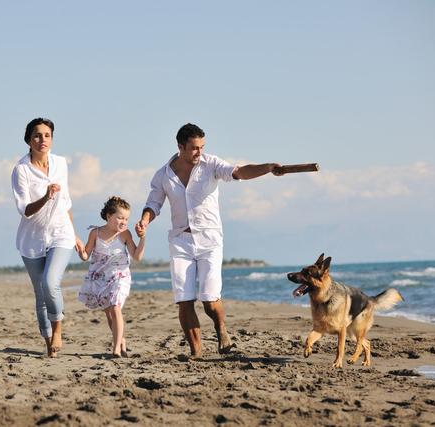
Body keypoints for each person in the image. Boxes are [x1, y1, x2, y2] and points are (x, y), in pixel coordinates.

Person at [135, 123, 284, 358]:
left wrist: (267, 168)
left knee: (209, 299)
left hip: (210, 240)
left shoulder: (211, 164)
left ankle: (221, 329)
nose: (199, 152)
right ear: (180, 147)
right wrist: (145, 220)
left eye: (202, 147)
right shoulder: (163, 175)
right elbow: (153, 203)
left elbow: (238, 172)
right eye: (194, 148)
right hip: (180, 241)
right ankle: (196, 353)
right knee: (184, 300)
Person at [11, 117, 84, 358]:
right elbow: (25, 210)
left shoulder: (61, 164)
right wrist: (45, 195)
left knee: (50, 283)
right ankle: (47, 341)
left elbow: (66, 203)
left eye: (47, 135)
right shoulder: (21, 170)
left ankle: (58, 330)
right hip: (32, 239)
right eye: (37, 135)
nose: (42, 139)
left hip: (61, 233)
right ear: (28, 140)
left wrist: (75, 235)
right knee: (40, 293)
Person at [77, 196, 146, 358]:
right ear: (109, 216)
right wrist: (80, 249)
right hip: (100, 278)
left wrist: (142, 238)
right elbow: (86, 255)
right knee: (109, 314)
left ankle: (115, 349)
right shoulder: (96, 233)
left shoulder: (125, 234)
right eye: (120, 218)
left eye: (126, 219)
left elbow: (136, 256)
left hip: (119, 276)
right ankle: (121, 342)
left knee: (115, 307)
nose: (124, 222)